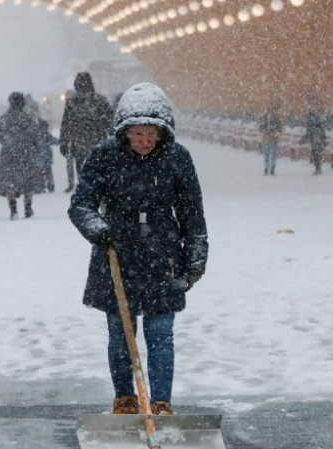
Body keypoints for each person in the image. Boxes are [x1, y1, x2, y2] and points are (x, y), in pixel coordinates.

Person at [68, 83, 208, 416]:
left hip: (163, 257)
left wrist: (194, 262)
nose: (145, 141)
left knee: (160, 335)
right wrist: (98, 230)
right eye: (138, 134)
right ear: (124, 133)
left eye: (152, 134)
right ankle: (125, 399)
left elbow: (192, 215)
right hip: (117, 256)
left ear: (163, 133)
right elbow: (81, 205)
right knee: (121, 336)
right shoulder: (104, 156)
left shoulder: (177, 158)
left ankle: (161, 403)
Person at [59, 72, 113, 192]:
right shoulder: (101, 100)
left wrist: (64, 141)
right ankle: (100, 193)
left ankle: (87, 194)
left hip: (79, 144)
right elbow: (109, 123)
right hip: (98, 142)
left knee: (83, 173)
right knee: (100, 172)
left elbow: (66, 124)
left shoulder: (72, 102)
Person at [0, 92, 40, 220]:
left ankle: (13, 210)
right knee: (28, 181)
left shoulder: (4, 118)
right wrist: (33, 146)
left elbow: (0, 134)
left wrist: (9, 143)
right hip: (26, 153)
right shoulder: (27, 118)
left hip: (9, 154)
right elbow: (34, 134)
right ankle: (27, 208)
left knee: (10, 182)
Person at [259, 102, 283, 176]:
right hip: (274, 139)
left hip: (267, 138)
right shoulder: (277, 118)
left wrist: (266, 132)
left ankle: (266, 168)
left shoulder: (265, 118)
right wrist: (275, 133)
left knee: (267, 154)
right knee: (273, 154)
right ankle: (272, 169)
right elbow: (280, 129)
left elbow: (261, 128)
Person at [35, 118, 58, 193]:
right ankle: (50, 187)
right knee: (48, 174)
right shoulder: (47, 135)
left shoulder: (36, 136)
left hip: (38, 159)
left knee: (39, 174)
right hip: (47, 159)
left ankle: (39, 187)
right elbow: (56, 141)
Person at [304, 109, 327, 175]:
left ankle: (317, 168)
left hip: (315, 142)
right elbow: (323, 133)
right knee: (317, 155)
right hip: (319, 142)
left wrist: (305, 138)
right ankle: (318, 168)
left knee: (315, 155)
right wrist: (324, 141)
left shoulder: (311, 122)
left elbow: (309, 131)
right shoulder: (318, 123)